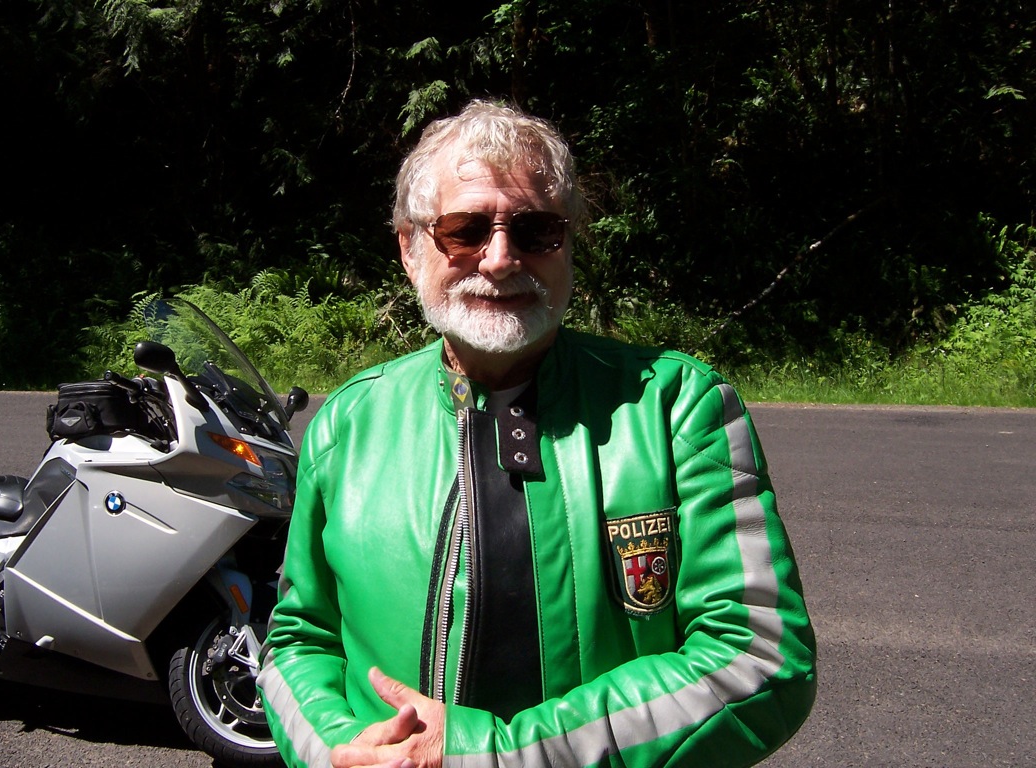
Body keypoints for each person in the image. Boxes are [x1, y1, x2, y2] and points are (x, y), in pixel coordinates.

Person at [257, 99, 816, 768]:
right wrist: (334, 754)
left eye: (535, 230)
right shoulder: (347, 424)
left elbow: (759, 656)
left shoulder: (677, 407)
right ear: (410, 249)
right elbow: (297, 640)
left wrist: (493, 755)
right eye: (464, 229)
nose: (499, 258)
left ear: (569, 244)